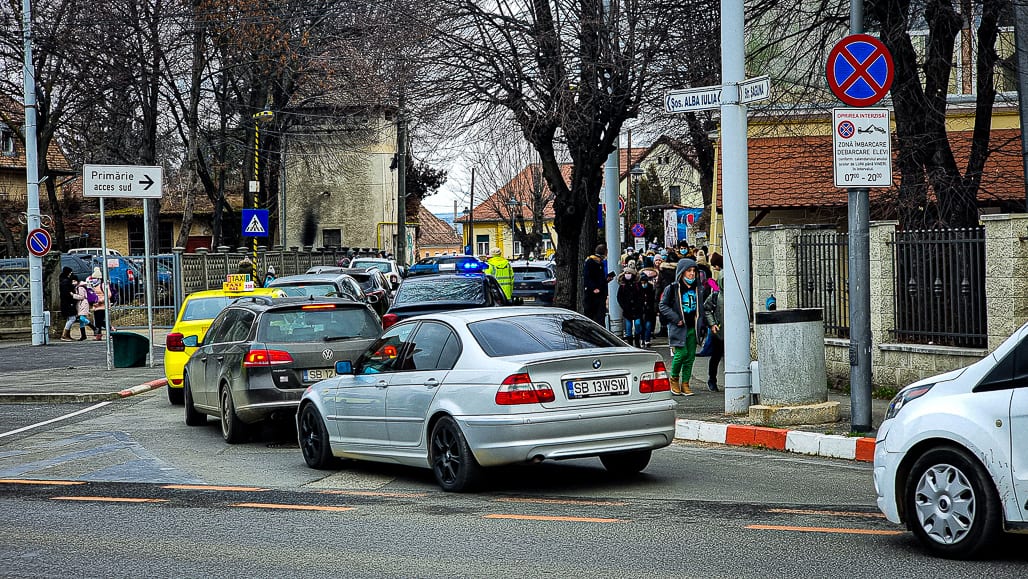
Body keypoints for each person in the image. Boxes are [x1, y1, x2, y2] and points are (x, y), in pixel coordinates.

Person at [658, 258, 701, 396]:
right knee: (681, 353)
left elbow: (702, 307)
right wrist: (676, 318)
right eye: (689, 271)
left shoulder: (698, 288)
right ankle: (674, 378)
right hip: (679, 327)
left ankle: (685, 383)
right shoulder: (672, 288)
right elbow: (663, 306)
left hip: (692, 327)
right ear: (682, 273)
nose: (692, 274)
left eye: (694, 271)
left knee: (690, 356)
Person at [703, 256, 724, 392]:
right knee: (716, 357)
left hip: (734, 333)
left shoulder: (738, 294)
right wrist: (712, 324)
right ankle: (712, 379)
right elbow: (707, 308)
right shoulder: (716, 295)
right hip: (719, 332)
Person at [616, 265, 644, 347]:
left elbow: (641, 295)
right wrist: (624, 305)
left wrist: (640, 304)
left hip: (637, 308)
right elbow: (619, 297)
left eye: (629, 273)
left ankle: (637, 339)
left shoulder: (637, 284)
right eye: (626, 273)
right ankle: (630, 342)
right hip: (627, 309)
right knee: (628, 327)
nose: (627, 275)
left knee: (638, 324)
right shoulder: (623, 285)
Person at [582, 244, 609, 327]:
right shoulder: (591, 262)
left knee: (600, 316)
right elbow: (587, 277)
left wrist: (606, 280)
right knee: (594, 315)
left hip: (599, 293)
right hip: (593, 294)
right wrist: (594, 288)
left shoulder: (599, 263)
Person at [71, 275, 99, 341]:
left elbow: (81, 296)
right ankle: (83, 335)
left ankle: (94, 328)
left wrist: (73, 295)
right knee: (81, 321)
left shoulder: (80, 287)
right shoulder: (79, 287)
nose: (73, 283)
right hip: (81, 304)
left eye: (73, 281)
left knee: (81, 318)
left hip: (83, 304)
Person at [87, 267, 110, 340]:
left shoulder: (103, 285)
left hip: (103, 305)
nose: (94, 280)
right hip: (96, 306)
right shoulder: (93, 286)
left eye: (95, 278)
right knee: (97, 322)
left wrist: (100, 300)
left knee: (100, 321)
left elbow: (108, 295)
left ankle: (111, 330)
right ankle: (98, 335)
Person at [638, 271, 658, 347]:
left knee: (648, 325)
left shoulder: (651, 288)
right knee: (641, 325)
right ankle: (643, 339)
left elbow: (654, 299)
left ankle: (647, 340)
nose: (643, 284)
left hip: (649, 310)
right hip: (641, 309)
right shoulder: (638, 288)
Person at [59, 267, 78, 342]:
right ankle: (64, 335)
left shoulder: (63, 281)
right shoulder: (66, 282)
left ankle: (67, 335)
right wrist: (72, 296)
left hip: (66, 303)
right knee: (72, 318)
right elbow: (67, 293)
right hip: (68, 303)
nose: (71, 274)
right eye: (70, 272)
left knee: (69, 319)